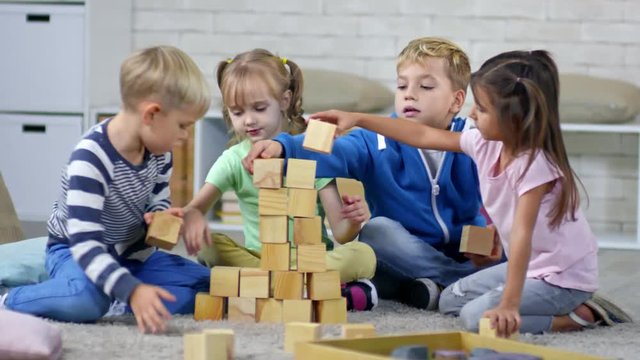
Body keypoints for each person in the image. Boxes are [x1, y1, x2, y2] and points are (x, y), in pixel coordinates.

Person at [305, 50, 632, 336]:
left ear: (514, 119)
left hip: (561, 276)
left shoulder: (536, 167)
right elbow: (419, 134)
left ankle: (580, 316)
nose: (472, 115)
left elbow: (521, 238)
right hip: (529, 265)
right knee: (449, 301)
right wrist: (359, 118)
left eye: (484, 109)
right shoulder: (484, 144)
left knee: (477, 319)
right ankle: (511, 297)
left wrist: (509, 304)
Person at [243, 38, 492, 310]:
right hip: (405, 252)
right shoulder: (373, 140)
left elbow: (500, 195)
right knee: (376, 231)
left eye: (426, 86)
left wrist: (493, 237)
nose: (409, 94)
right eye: (401, 85)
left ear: (456, 101)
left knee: (512, 243)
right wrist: (283, 146)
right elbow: (331, 151)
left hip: (465, 251)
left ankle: (434, 287)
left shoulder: (474, 138)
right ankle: (461, 284)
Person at [0, 46, 212, 334]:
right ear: (151, 114)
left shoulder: (159, 152)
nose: (185, 137)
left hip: (130, 255)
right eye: (182, 126)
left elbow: (158, 199)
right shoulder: (90, 159)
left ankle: (117, 295)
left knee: (206, 285)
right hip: (75, 251)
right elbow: (86, 244)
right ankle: (11, 299)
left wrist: (160, 218)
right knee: (84, 300)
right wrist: (134, 291)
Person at [182, 49, 377, 311]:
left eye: (259, 108)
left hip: (313, 260)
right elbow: (195, 209)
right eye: (237, 113)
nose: (248, 120)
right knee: (208, 247)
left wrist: (354, 220)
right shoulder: (232, 160)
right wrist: (191, 216)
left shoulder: (310, 153)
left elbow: (342, 234)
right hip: (262, 260)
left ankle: (266, 288)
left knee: (363, 255)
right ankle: (315, 291)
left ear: (284, 100)